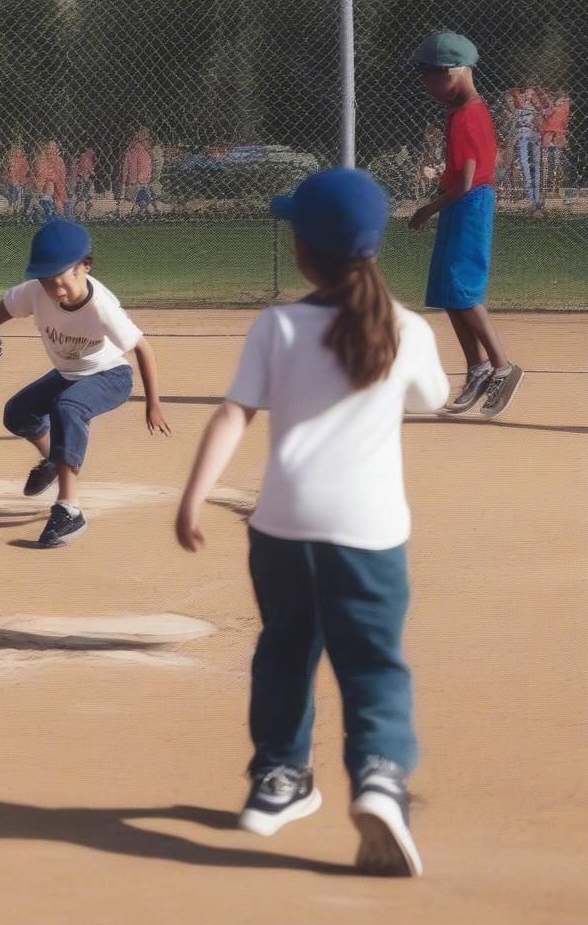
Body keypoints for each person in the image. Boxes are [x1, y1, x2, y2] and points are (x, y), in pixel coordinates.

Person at [176, 168, 448, 877]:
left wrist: (193, 496)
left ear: (302, 250)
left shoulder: (279, 326)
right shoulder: (406, 329)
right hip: (370, 531)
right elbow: (434, 397)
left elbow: (233, 411)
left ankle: (280, 777)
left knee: (285, 650)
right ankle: (382, 778)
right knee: (372, 664)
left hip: (281, 528)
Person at [0, 219, 170, 547]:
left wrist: (153, 404)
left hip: (110, 375)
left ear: (84, 267)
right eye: (46, 282)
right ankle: (54, 459)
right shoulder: (37, 292)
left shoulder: (101, 307)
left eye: (60, 280)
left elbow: (143, 349)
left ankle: (69, 508)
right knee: (18, 413)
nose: (55, 290)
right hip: (68, 375)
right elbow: (9, 305)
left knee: (67, 408)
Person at [409, 32, 524, 419]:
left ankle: (502, 367)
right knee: (447, 290)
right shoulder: (460, 111)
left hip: (469, 205)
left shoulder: (468, 115)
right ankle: (478, 370)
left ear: (450, 74)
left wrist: (427, 209)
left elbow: (465, 182)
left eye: (428, 77)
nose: (426, 86)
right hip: (460, 204)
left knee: (463, 289)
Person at [505, 77, 548, 213]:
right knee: (525, 163)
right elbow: (510, 103)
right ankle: (532, 195)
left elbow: (543, 110)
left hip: (532, 133)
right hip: (523, 133)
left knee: (534, 163)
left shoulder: (533, 99)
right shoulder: (516, 95)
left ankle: (536, 196)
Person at [541, 89, 574, 206]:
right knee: (547, 168)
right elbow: (545, 115)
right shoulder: (545, 105)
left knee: (565, 166)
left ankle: (569, 195)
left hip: (559, 138)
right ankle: (544, 196)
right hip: (548, 139)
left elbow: (565, 123)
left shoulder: (565, 105)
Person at [120, 127, 153, 219]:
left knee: (136, 199)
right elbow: (147, 167)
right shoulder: (146, 153)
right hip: (144, 180)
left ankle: (137, 214)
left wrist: (124, 180)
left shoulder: (130, 152)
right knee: (144, 198)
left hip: (133, 179)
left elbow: (125, 167)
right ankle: (146, 213)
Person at [32, 139, 68, 222]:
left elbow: (61, 181)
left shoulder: (59, 161)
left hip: (58, 190)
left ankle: (48, 212)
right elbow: (41, 179)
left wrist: (59, 199)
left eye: (53, 148)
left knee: (66, 211)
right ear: (45, 149)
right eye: (48, 148)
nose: (51, 151)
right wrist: (40, 192)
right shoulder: (41, 160)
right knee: (50, 184)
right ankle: (47, 214)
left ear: (56, 150)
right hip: (42, 189)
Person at [0, 141, 30, 218]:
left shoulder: (23, 160)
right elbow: (9, 173)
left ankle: (19, 210)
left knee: (22, 193)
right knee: (13, 191)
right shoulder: (10, 160)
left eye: (18, 150)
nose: (16, 152)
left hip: (20, 182)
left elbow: (26, 171)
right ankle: (12, 208)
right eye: (14, 149)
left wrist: (20, 181)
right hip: (11, 183)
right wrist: (13, 181)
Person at [69, 147, 96, 220]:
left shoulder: (87, 159)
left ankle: (81, 214)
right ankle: (81, 214)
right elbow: (85, 172)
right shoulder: (84, 158)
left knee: (82, 199)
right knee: (82, 199)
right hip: (82, 181)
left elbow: (90, 172)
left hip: (84, 181)